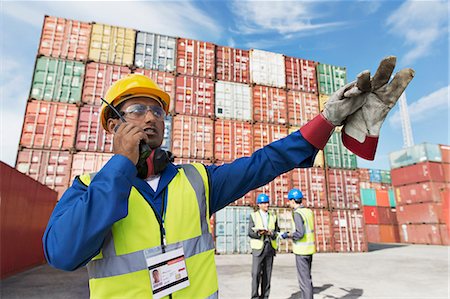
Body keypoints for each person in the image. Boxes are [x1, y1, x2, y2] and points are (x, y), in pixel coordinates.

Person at [43, 57, 414, 298]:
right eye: (137, 109)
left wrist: (327, 120)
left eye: (158, 111)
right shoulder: (88, 189)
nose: (151, 118)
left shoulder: (196, 180)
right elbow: (63, 254)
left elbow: (264, 163)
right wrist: (121, 167)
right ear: (112, 123)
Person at [248, 193, 280, 299]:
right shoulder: (254, 215)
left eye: (267, 203)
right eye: (264, 203)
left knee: (267, 275)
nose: (267, 205)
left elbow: (277, 232)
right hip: (258, 249)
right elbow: (250, 233)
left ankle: (265, 297)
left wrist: (272, 233)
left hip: (269, 248)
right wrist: (259, 233)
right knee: (256, 274)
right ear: (259, 204)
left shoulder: (273, 216)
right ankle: (254, 297)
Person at [285, 188, 315, 299]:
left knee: (304, 281)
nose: (289, 203)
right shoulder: (308, 211)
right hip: (309, 250)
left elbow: (300, 233)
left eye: (289, 201)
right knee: (308, 278)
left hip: (301, 251)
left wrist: (288, 235)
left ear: (293, 201)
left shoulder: (297, 213)